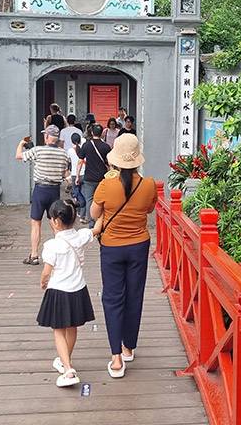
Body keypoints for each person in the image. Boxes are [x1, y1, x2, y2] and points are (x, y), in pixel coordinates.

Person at [90, 133, 157, 378]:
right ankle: (128, 346)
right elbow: (150, 209)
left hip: (112, 247)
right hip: (139, 245)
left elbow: (94, 211)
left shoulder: (106, 184)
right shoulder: (148, 183)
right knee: (134, 296)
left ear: (115, 160)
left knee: (113, 297)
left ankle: (116, 358)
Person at [36, 199, 95, 387]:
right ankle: (64, 360)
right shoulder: (82, 236)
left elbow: (47, 270)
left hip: (59, 291)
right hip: (78, 289)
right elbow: (97, 228)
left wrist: (42, 281)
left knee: (58, 330)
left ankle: (68, 370)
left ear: (55, 222)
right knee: (72, 328)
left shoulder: (52, 245)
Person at [15, 125, 69, 265]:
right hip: (55, 191)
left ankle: (34, 255)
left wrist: (21, 143)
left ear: (46, 137)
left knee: (35, 223)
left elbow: (19, 156)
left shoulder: (38, 150)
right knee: (55, 222)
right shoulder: (63, 153)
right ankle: (60, 254)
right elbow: (64, 173)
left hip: (40, 190)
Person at [75, 123, 110, 229]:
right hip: (102, 178)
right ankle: (102, 221)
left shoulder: (87, 145)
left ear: (91, 132)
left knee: (90, 200)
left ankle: (91, 224)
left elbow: (80, 162)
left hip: (89, 178)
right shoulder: (106, 146)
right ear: (102, 134)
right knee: (103, 200)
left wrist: (77, 176)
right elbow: (110, 163)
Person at [67, 133, 87, 223]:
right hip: (84, 174)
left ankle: (78, 212)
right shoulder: (84, 149)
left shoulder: (70, 150)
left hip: (74, 175)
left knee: (77, 195)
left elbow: (69, 161)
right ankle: (82, 216)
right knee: (84, 195)